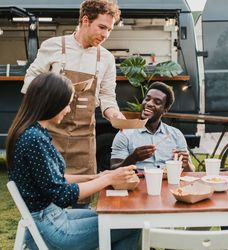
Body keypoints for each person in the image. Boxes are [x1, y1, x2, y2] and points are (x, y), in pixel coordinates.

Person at [6, 72, 140, 250]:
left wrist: (98, 176)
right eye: (66, 105)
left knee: (121, 218)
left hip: (49, 219)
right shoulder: (34, 139)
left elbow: (56, 179)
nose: (68, 110)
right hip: (51, 228)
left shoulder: (32, 132)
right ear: (51, 103)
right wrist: (107, 180)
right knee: (130, 225)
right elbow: (62, 195)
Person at [21, 0, 125, 207]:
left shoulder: (106, 58)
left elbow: (107, 96)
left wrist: (115, 115)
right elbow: (30, 80)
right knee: (49, 198)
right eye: (102, 27)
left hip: (84, 138)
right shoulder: (53, 46)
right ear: (85, 21)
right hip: (50, 137)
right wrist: (54, 92)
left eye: (109, 30)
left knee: (82, 202)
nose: (105, 35)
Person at [110, 81, 195, 172]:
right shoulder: (125, 134)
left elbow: (190, 171)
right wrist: (133, 158)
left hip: (169, 183)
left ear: (164, 111)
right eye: (147, 99)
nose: (149, 104)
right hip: (139, 184)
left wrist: (186, 164)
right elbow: (114, 170)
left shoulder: (176, 135)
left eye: (157, 102)